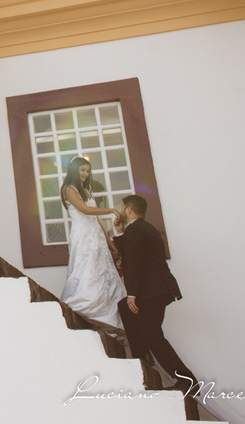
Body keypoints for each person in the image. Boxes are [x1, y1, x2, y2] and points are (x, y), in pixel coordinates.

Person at [113, 194, 197, 392]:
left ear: (128, 210)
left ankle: (188, 381)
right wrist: (119, 233)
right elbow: (131, 254)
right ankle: (143, 357)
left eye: (122, 207)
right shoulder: (139, 229)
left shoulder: (136, 230)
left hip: (153, 291)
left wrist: (132, 293)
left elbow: (134, 263)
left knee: (152, 335)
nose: (121, 210)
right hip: (154, 290)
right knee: (126, 310)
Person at [59, 156, 125, 329]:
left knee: (102, 270)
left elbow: (95, 219)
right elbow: (85, 210)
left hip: (96, 234)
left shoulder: (86, 191)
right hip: (83, 234)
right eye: (82, 170)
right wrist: (110, 210)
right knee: (86, 268)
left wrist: (110, 243)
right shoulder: (68, 189)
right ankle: (84, 307)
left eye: (88, 171)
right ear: (74, 170)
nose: (86, 174)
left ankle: (107, 315)